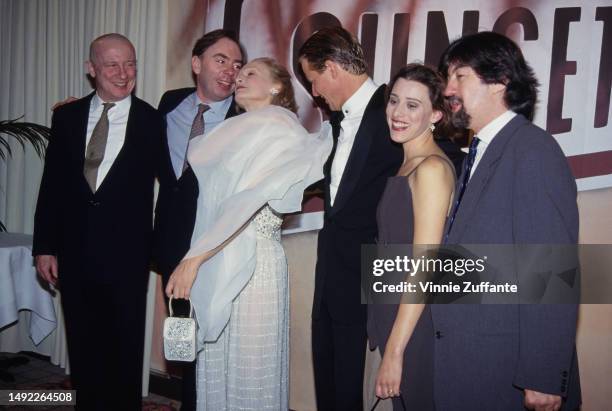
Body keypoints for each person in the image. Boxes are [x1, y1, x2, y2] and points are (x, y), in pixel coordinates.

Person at [165, 57, 331, 411]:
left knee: (249, 367)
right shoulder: (241, 127)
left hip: (254, 264)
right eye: (238, 75)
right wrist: (200, 255)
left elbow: (248, 202)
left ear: (276, 87)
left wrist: (193, 260)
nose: (239, 78)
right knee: (218, 362)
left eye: (250, 73)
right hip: (217, 254)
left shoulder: (280, 128)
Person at [433, 31, 580, 411]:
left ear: (499, 81)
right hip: (471, 366)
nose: (447, 89)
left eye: (459, 76)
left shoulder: (533, 150)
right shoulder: (478, 154)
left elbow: (549, 268)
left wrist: (543, 375)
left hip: (508, 375)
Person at [33, 33, 163, 410]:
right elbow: (52, 186)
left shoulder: (153, 121)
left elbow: (175, 186)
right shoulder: (67, 117)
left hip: (127, 256)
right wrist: (44, 246)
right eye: (112, 65)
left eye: (131, 64)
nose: (124, 74)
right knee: (84, 346)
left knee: (123, 351)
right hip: (74, 254)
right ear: (91, 70)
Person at [297, 27, 404, 410]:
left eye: (313, 80)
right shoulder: (338, 122)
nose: (314, 93)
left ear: (330, 69)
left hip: (370, 276)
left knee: (356, 389)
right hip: (332, 272)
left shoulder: (395, 108)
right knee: (331, 383)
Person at [152, 29, 243, 411]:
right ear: (196, 64)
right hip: (171, 244)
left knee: (213, 344)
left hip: (216, 250)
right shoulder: (170, 104)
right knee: (181, 338)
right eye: (221, 60)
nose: (230, 71)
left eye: (237, 64)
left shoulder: (244, 120)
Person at [369, 64, 456, 410]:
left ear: (436, 114)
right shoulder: (407, 163)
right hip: (397, 317)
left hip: (417, 327)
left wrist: (395, 351)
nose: (398, 113)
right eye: (394, 101)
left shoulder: (432, 168)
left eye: (412, 105)